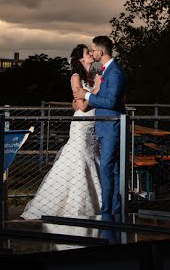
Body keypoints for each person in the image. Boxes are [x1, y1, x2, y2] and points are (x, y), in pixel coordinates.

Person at [21, 44, 101, 219]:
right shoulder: (76, 77)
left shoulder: (94, 76)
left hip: (94, 125)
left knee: (93, 158)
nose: (91, 54)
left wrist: (91, 94)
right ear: (81, 59)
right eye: (88, 52)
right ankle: (71, 207)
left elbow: (83, 101)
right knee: (79, 159)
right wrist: (95, 93)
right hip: (82, 124)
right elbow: (81, 106)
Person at [73, 35, 126, 216]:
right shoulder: (104, 71)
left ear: (101, 52)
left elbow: (110, 102)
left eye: (93, 49)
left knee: (107, 168)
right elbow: (101, 98)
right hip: (103, 126)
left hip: (112, 126)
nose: (92, 52)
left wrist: (86, 96)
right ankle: (115, 209)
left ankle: (108, 211)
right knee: (113, 168)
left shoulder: (115, 72)